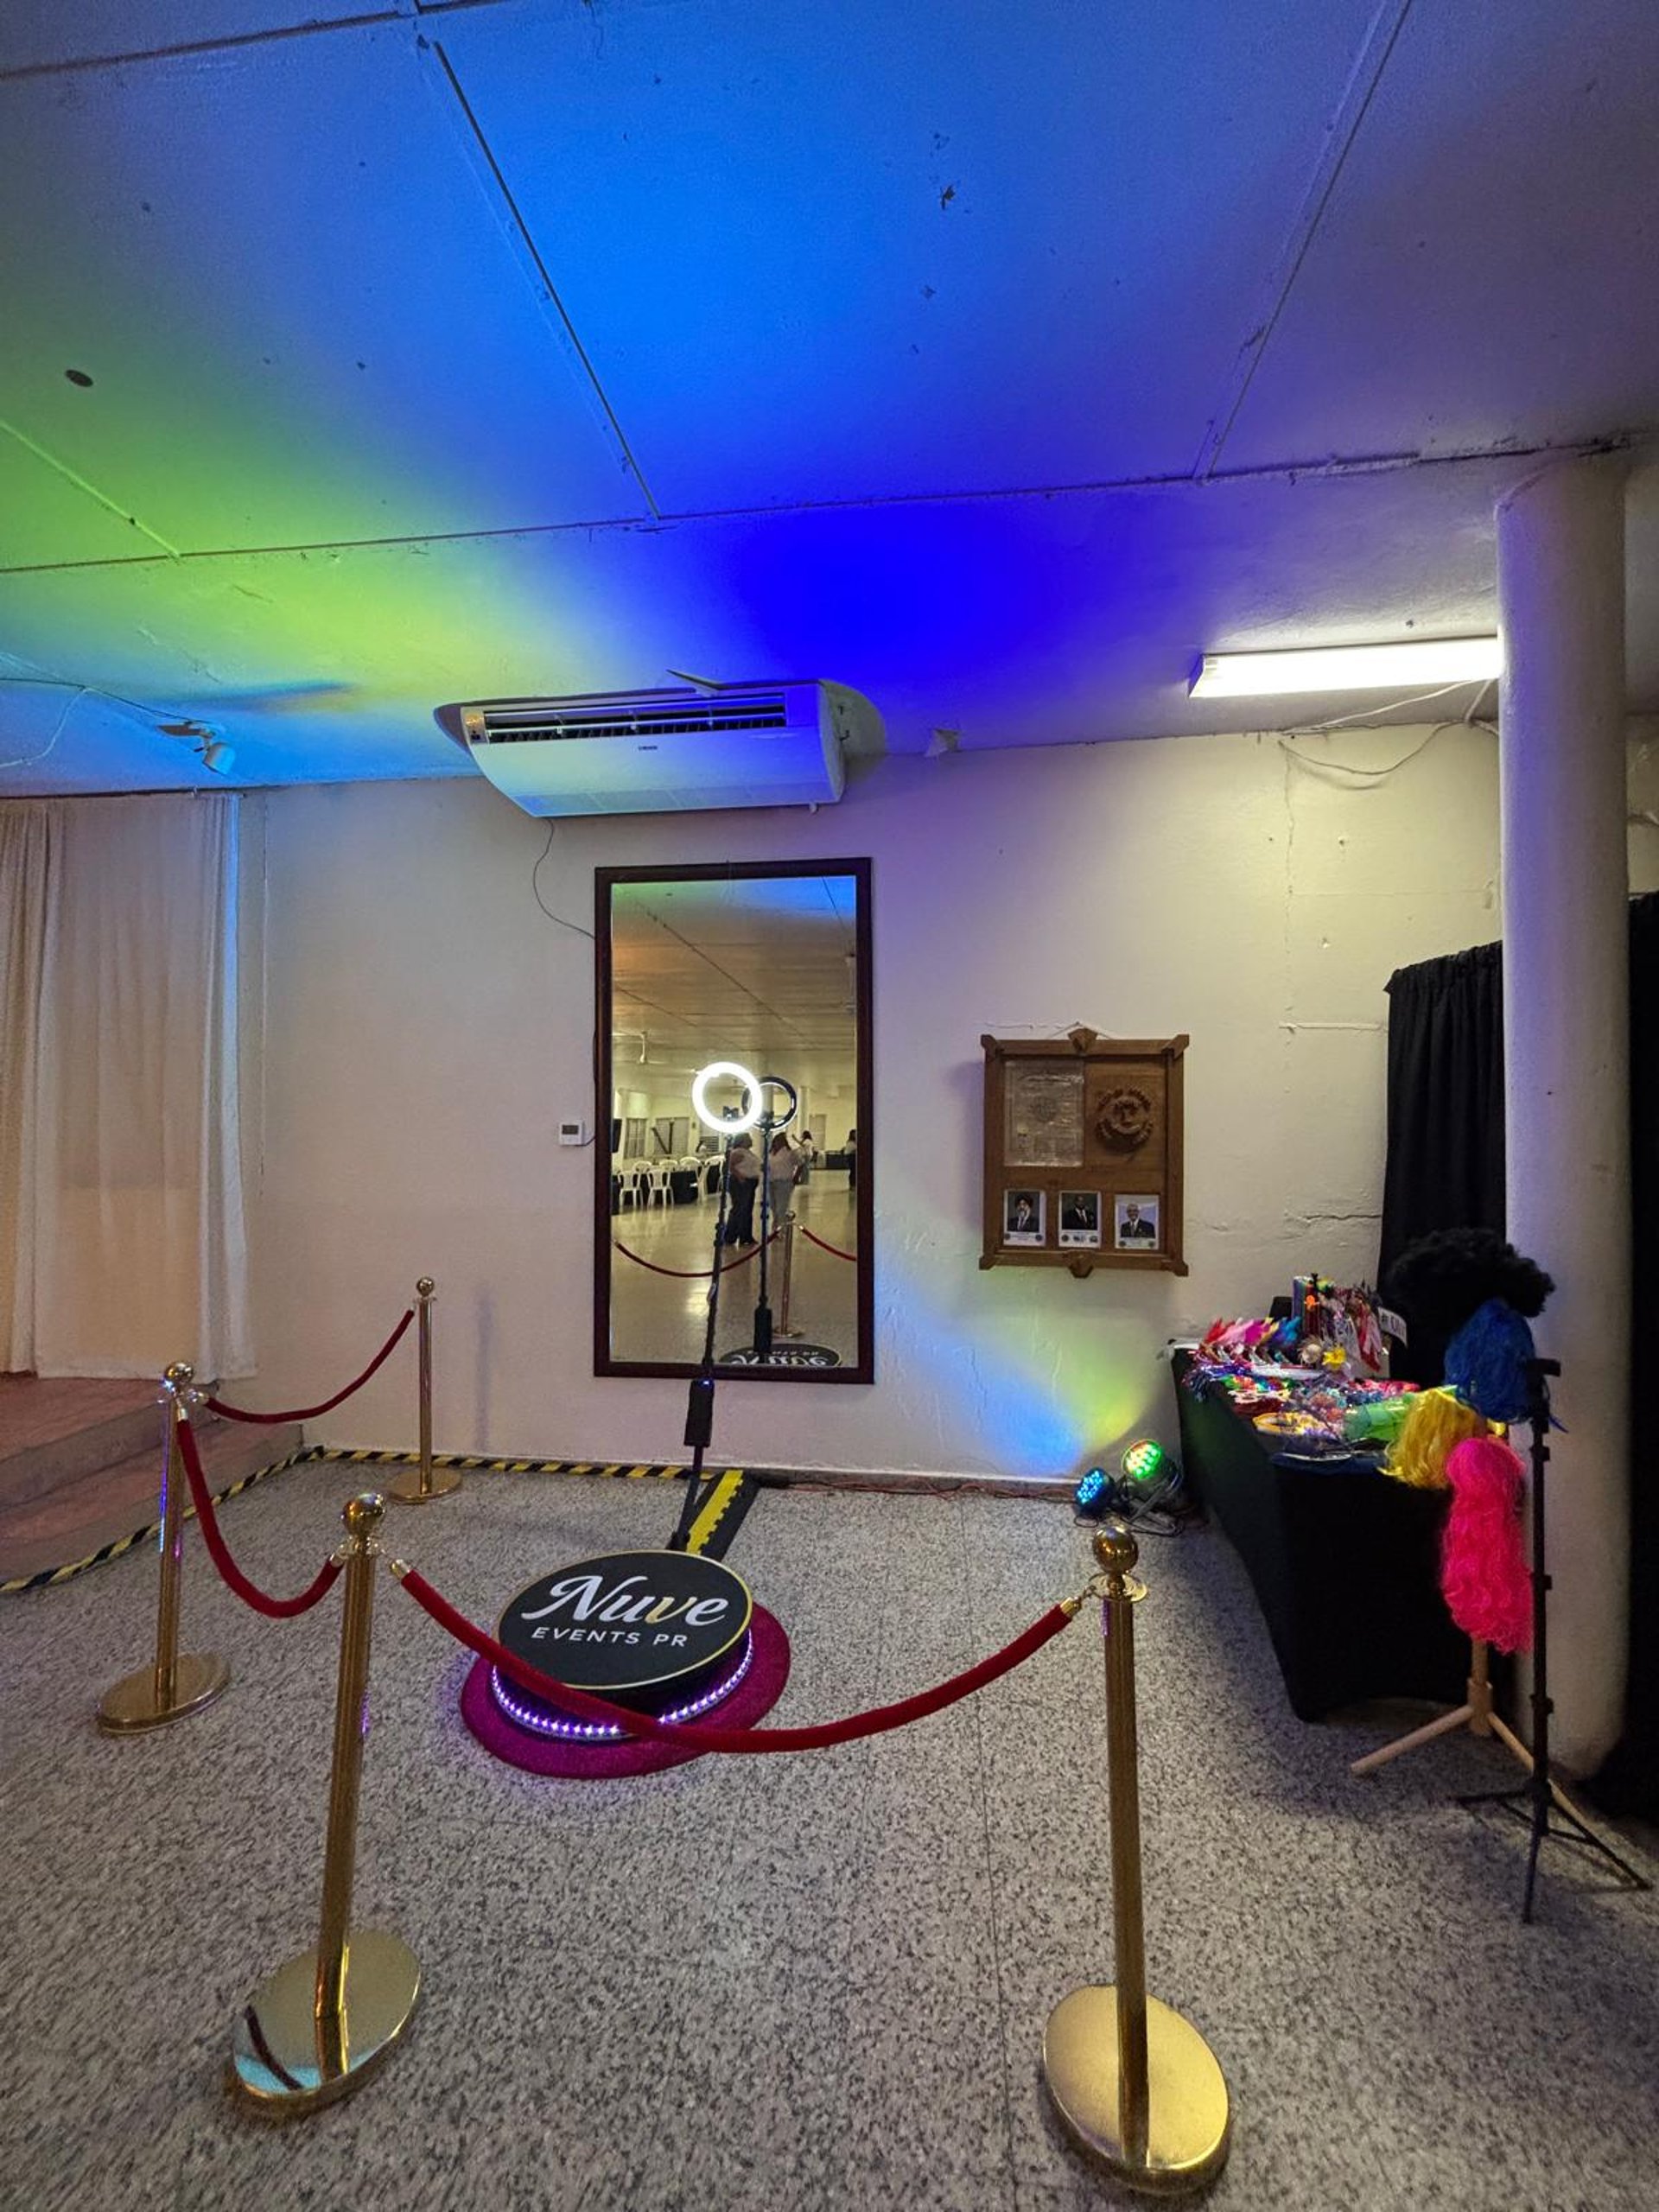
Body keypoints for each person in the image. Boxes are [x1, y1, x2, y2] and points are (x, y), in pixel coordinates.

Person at [721, 1135, 761, 1246]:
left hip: (750, 1182)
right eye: (749, 1139)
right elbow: (730, 1166)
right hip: (741, 1183)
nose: (751, 1140)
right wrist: (740, 1176)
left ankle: (746, 1236)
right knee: (739, 1209)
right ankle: (731, 1236)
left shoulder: (748, 1152)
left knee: (747, 1210)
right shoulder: (738, 1152)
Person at [766, 1132, 799, 1227]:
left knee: (781, 1208)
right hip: (771, 1182)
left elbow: (800, 1163)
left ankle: (782, 1230)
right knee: (773, 1207)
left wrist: (796, 1177)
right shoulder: (771, 1153)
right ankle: (777, 1226)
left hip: (784, 1182)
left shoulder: (790, 1153)